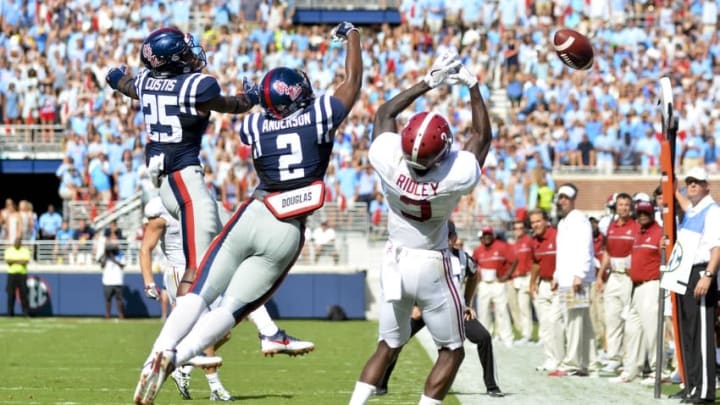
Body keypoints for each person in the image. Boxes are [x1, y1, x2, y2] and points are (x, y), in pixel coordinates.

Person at [132, 21, 362, 405]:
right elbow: (352, 80)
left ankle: (161, 348)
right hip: (286, 229)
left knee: (203, 288)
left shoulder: (255, 126)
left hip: (252, 213)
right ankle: (176, 360)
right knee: (235, 307)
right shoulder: (320, 114)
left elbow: (246, 110)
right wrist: (352, 35)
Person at [349, 51, 491, 405]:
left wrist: (429, 80)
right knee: (452, 351)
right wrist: (472, 86)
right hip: (431, 263)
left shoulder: (387, 159)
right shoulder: (453, 174)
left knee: (388, 345)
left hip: (394, 258)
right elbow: (482, 136)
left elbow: (385, 113)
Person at [105, 26, 260, 297]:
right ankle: (178, 336)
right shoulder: (196, 87)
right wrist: (253, 97)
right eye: (186, 54)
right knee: (197, 268)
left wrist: (114, 75)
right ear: (173, 61)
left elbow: (123, 84)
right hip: (183, 179)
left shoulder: (145, 82)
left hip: (170, 179)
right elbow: (231, 105)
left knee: (237, 239)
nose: (192, 57)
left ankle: (267, 332)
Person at [139, 196, 315, 401]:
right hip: (182, 273)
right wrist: (149, 282)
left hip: (205, 269)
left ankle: (181, 366)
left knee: (223, 330)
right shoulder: (161, 210)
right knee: (212, 326)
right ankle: (215, 386)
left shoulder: (202, 202)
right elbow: (145, 248)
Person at [374, 221, 504, 398]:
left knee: (484, 337)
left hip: (452, 311)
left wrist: (466, 303)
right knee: (395, 341)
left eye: (448, 236)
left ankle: (492, 385)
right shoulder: (423, 256)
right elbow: (410, 282)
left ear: (454, 237)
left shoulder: (462, 257)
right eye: (441, 235)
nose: (445, 239)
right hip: (422, 309)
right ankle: (380, 384)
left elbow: (474, 275)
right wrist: (414, 305)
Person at [670, 167, 720, 404]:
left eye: (697, 182)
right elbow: (677, 194)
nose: (691, 185)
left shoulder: (712, 211)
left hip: (700, 272)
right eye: (689, 182)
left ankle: (705, 389)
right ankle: (692, 384)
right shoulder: (692, 211)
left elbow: (717, 247)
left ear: (706, 186)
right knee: (687, 333)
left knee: (701, 335)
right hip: (684, 272)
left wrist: (708, 275)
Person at [609, 200, 663, 384]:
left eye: (646, 212)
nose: (642, 215)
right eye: (639, 212)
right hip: (636, 287)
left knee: (652, 331)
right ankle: (632, 369)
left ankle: (659, 371)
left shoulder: (659, 233)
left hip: (652, 285)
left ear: (652, 214)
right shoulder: (639, 233)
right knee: (632, 330)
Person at [549, 183, 595, 377]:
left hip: (576, 279)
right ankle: (586, 363)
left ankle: (572, 364)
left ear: (573, 199)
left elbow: (586, 248)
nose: (563, 201)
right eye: (560, 198)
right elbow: (563, 253)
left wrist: (580, 275)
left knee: (574, 323)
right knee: (574, 322)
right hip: (566, 278)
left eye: (566, 198)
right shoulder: (563, 222)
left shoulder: (580, 220)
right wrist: (557, 276)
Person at [596, 192, 638, 375]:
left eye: (627, 205)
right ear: (616, 206)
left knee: (628, 319)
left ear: (631, 207)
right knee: (611, 318)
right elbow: (606, 252)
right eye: (621, 205)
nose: (623, 208)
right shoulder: (611, 227)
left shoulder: (636, 227)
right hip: (613, 275)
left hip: (628, 276)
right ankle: (613, 358)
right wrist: (600, 275)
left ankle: (630, 360)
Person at [528, 209, 563, 372]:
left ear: (546, 221)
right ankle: (550, 359)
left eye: (538, 221)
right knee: (545, 324)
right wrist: (532, 283)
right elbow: (536, 263)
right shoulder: (534, 241)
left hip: (560, 285)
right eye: (533, 222)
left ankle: (562, 359)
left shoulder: (557, 235)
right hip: (543, 285)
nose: (535, 225)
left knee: (556, 323)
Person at [472, 225, 516, 347]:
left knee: (502, 311)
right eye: (484, 235)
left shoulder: (502, 246)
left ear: (493, 236)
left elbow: (514, 260)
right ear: (481, 237)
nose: (486, 237)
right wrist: (478, 279)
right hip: (484, 284)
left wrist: (506, 276)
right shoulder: (478, 250)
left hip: (498, 283)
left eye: (488, 235)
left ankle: (507, 337)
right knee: (483, 311)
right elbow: (474, 266)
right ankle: (485, 338)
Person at [509, 218, 534, 344]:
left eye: (520, 228)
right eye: (515, 228)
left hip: (530, 276)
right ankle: (527, 335)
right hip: (518, 279)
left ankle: (545, 336)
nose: (517, 230)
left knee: (538, 307)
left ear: (524, 229)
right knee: (523, 307)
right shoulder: (514, 245)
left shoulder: (530, 241)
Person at [100, 235, 125, 319]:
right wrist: (106, 253)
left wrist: (113, 258)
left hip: (117, 280)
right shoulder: (105, 256)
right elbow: (102, 265)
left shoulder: (120, 254)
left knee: (119, 299)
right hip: (107, 281)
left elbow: (122, 265)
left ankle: (121, 314)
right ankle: (107, 314)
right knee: (108, 299)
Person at [4, 237, 31, 317]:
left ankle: (25, 313)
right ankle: (10, 313)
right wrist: (19, 261)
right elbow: (9, 261)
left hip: (22, 274)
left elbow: (25, 261)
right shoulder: (9, 250)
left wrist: (14, 261)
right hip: (11, 274)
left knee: (24, 294)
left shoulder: (25, 250)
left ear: (21, 243)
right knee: (11, 295)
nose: (17, 243)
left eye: (19, 242)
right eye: (16, 242)